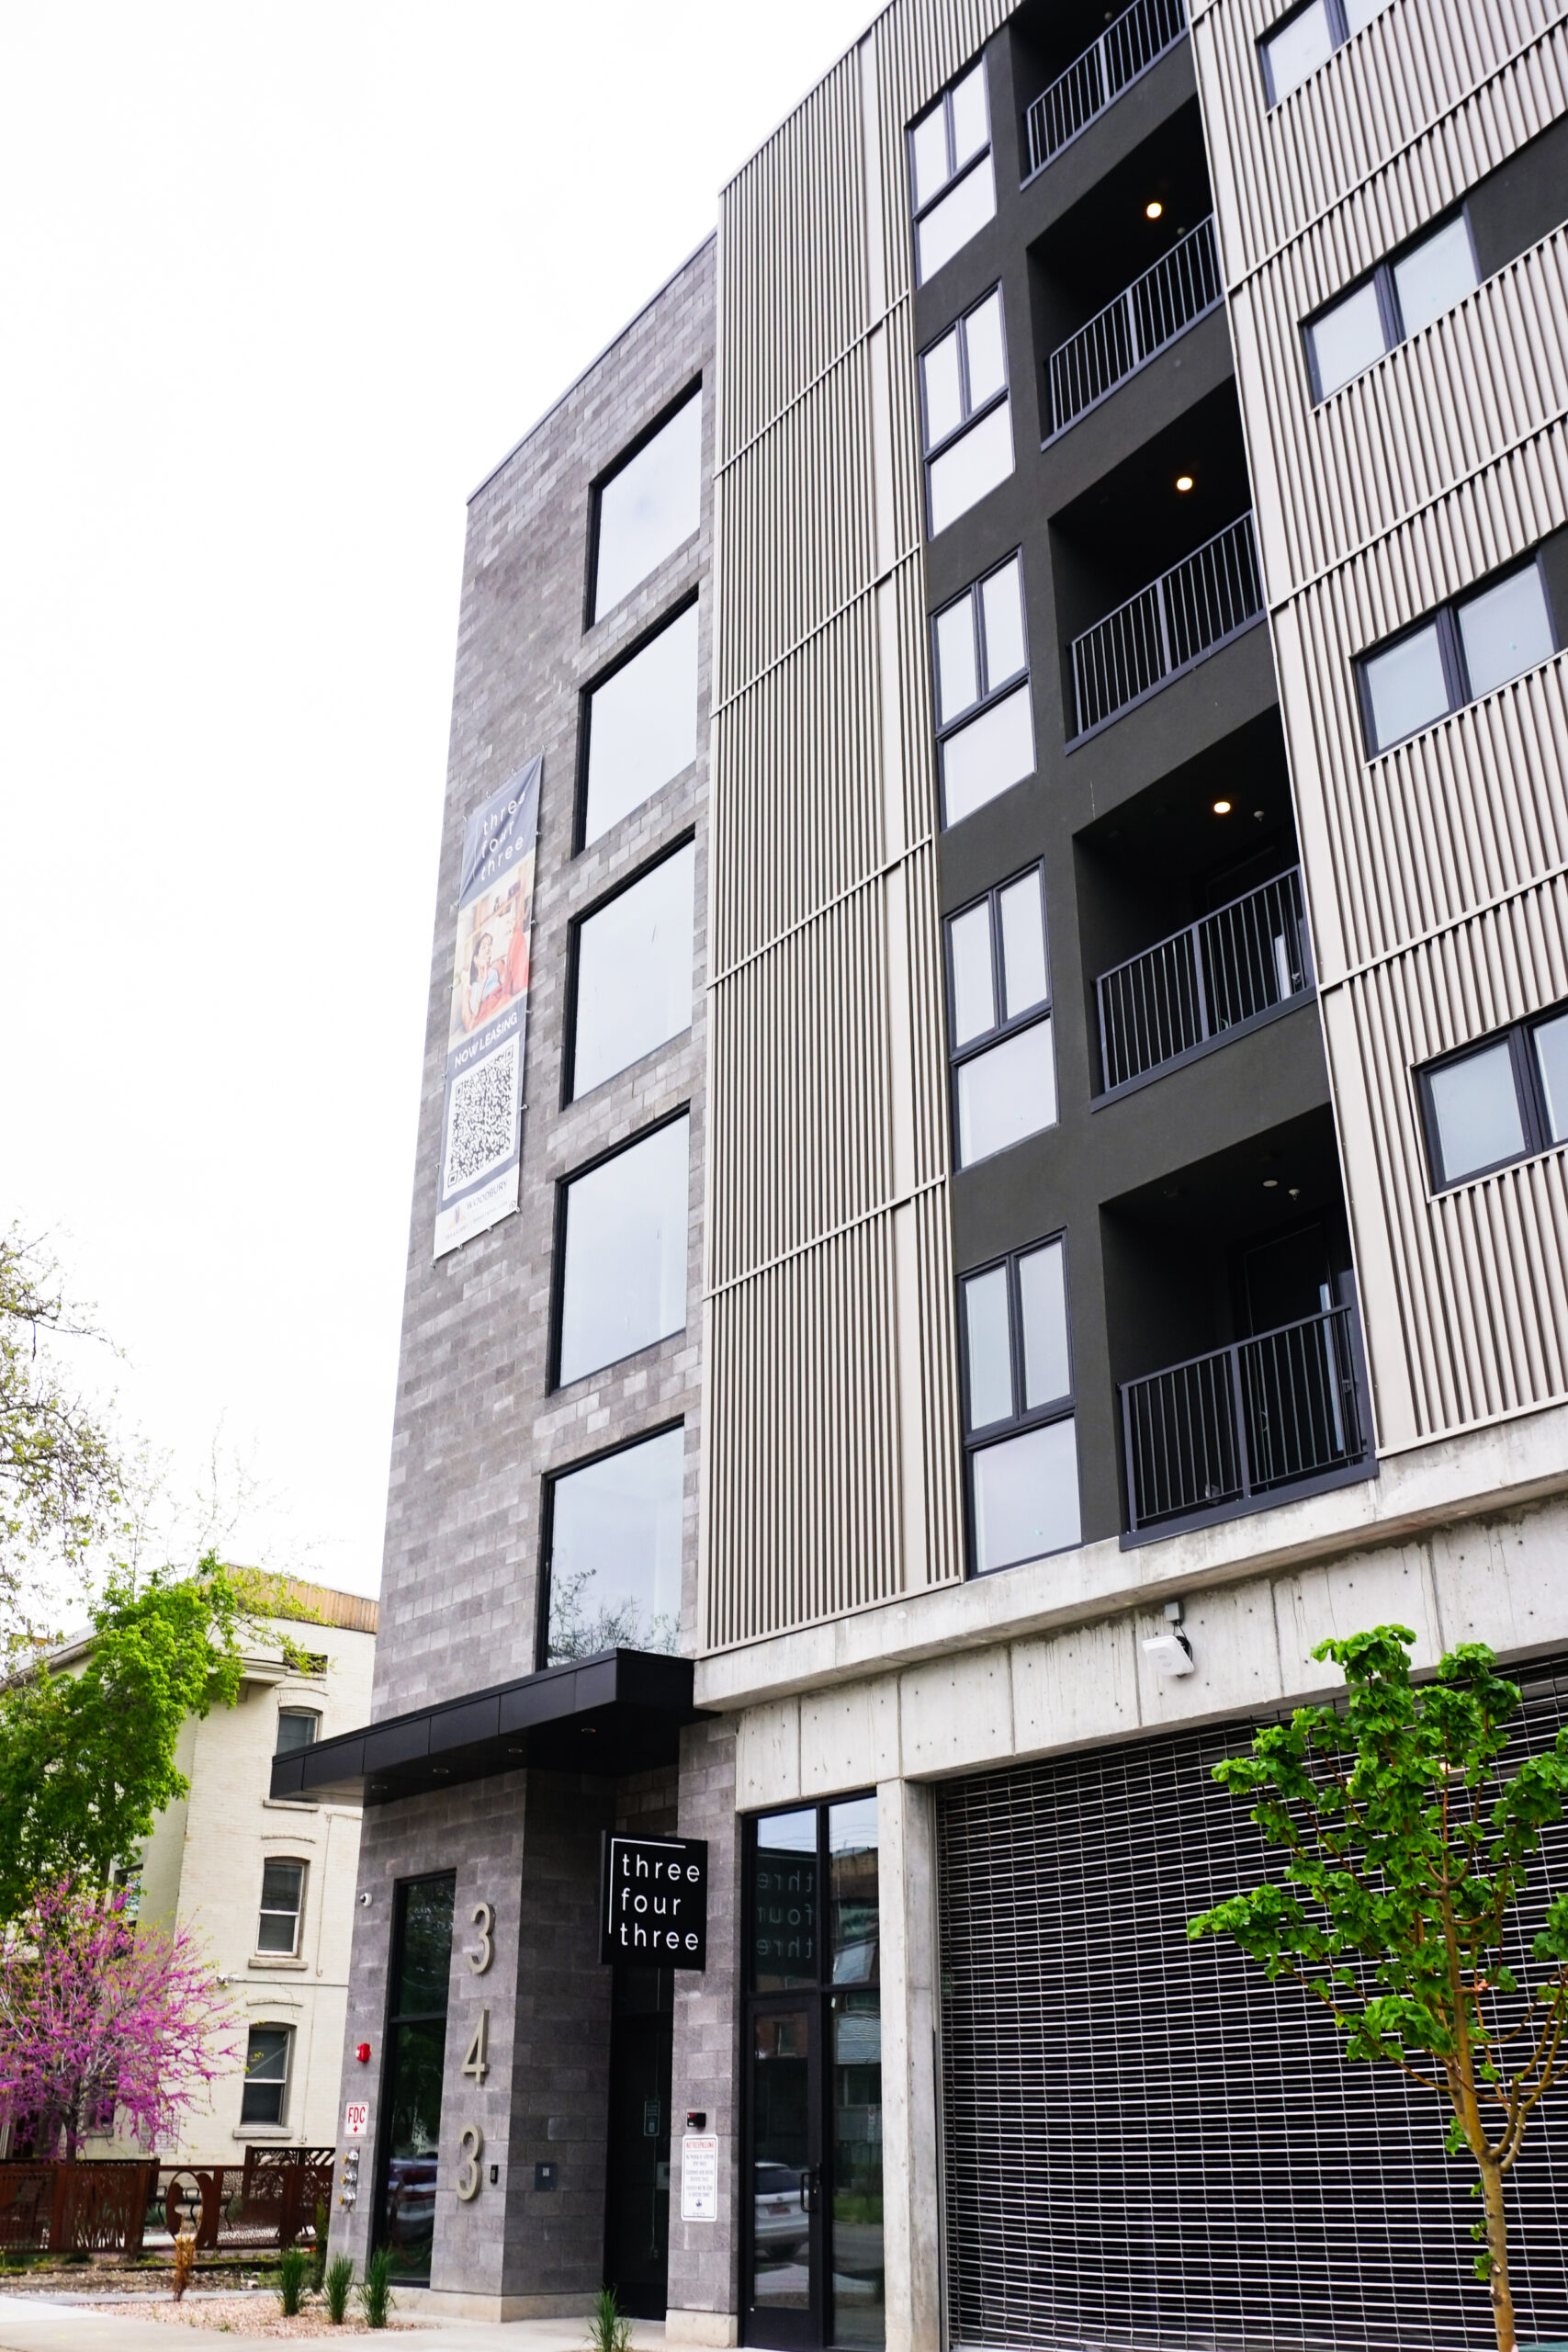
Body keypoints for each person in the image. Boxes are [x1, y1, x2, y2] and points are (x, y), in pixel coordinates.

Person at [461, 932, 503, 1032]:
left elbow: (509, 989)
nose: (488, 949)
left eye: (490, 945)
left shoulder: (496, 968)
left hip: (501, 1005)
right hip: (485, 1018)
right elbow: (470, 1026)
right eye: (484, 947)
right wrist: (484, 981)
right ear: (475, 959)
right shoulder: (470, 991)